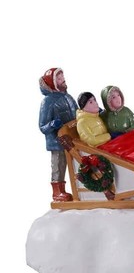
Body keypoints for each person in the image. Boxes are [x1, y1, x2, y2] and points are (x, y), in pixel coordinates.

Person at [39, 67, 78, 202]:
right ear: (53, 83)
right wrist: (53, 124)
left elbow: (78, 113)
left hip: (73, 139)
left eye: (63, 77)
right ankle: (58, 192)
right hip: (58, 142)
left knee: (77, 164)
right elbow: (42, 126)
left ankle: (81, 189)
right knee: (59, 166)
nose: (63, 80)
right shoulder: (47, 101)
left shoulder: (68, 97)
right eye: (59, 78)